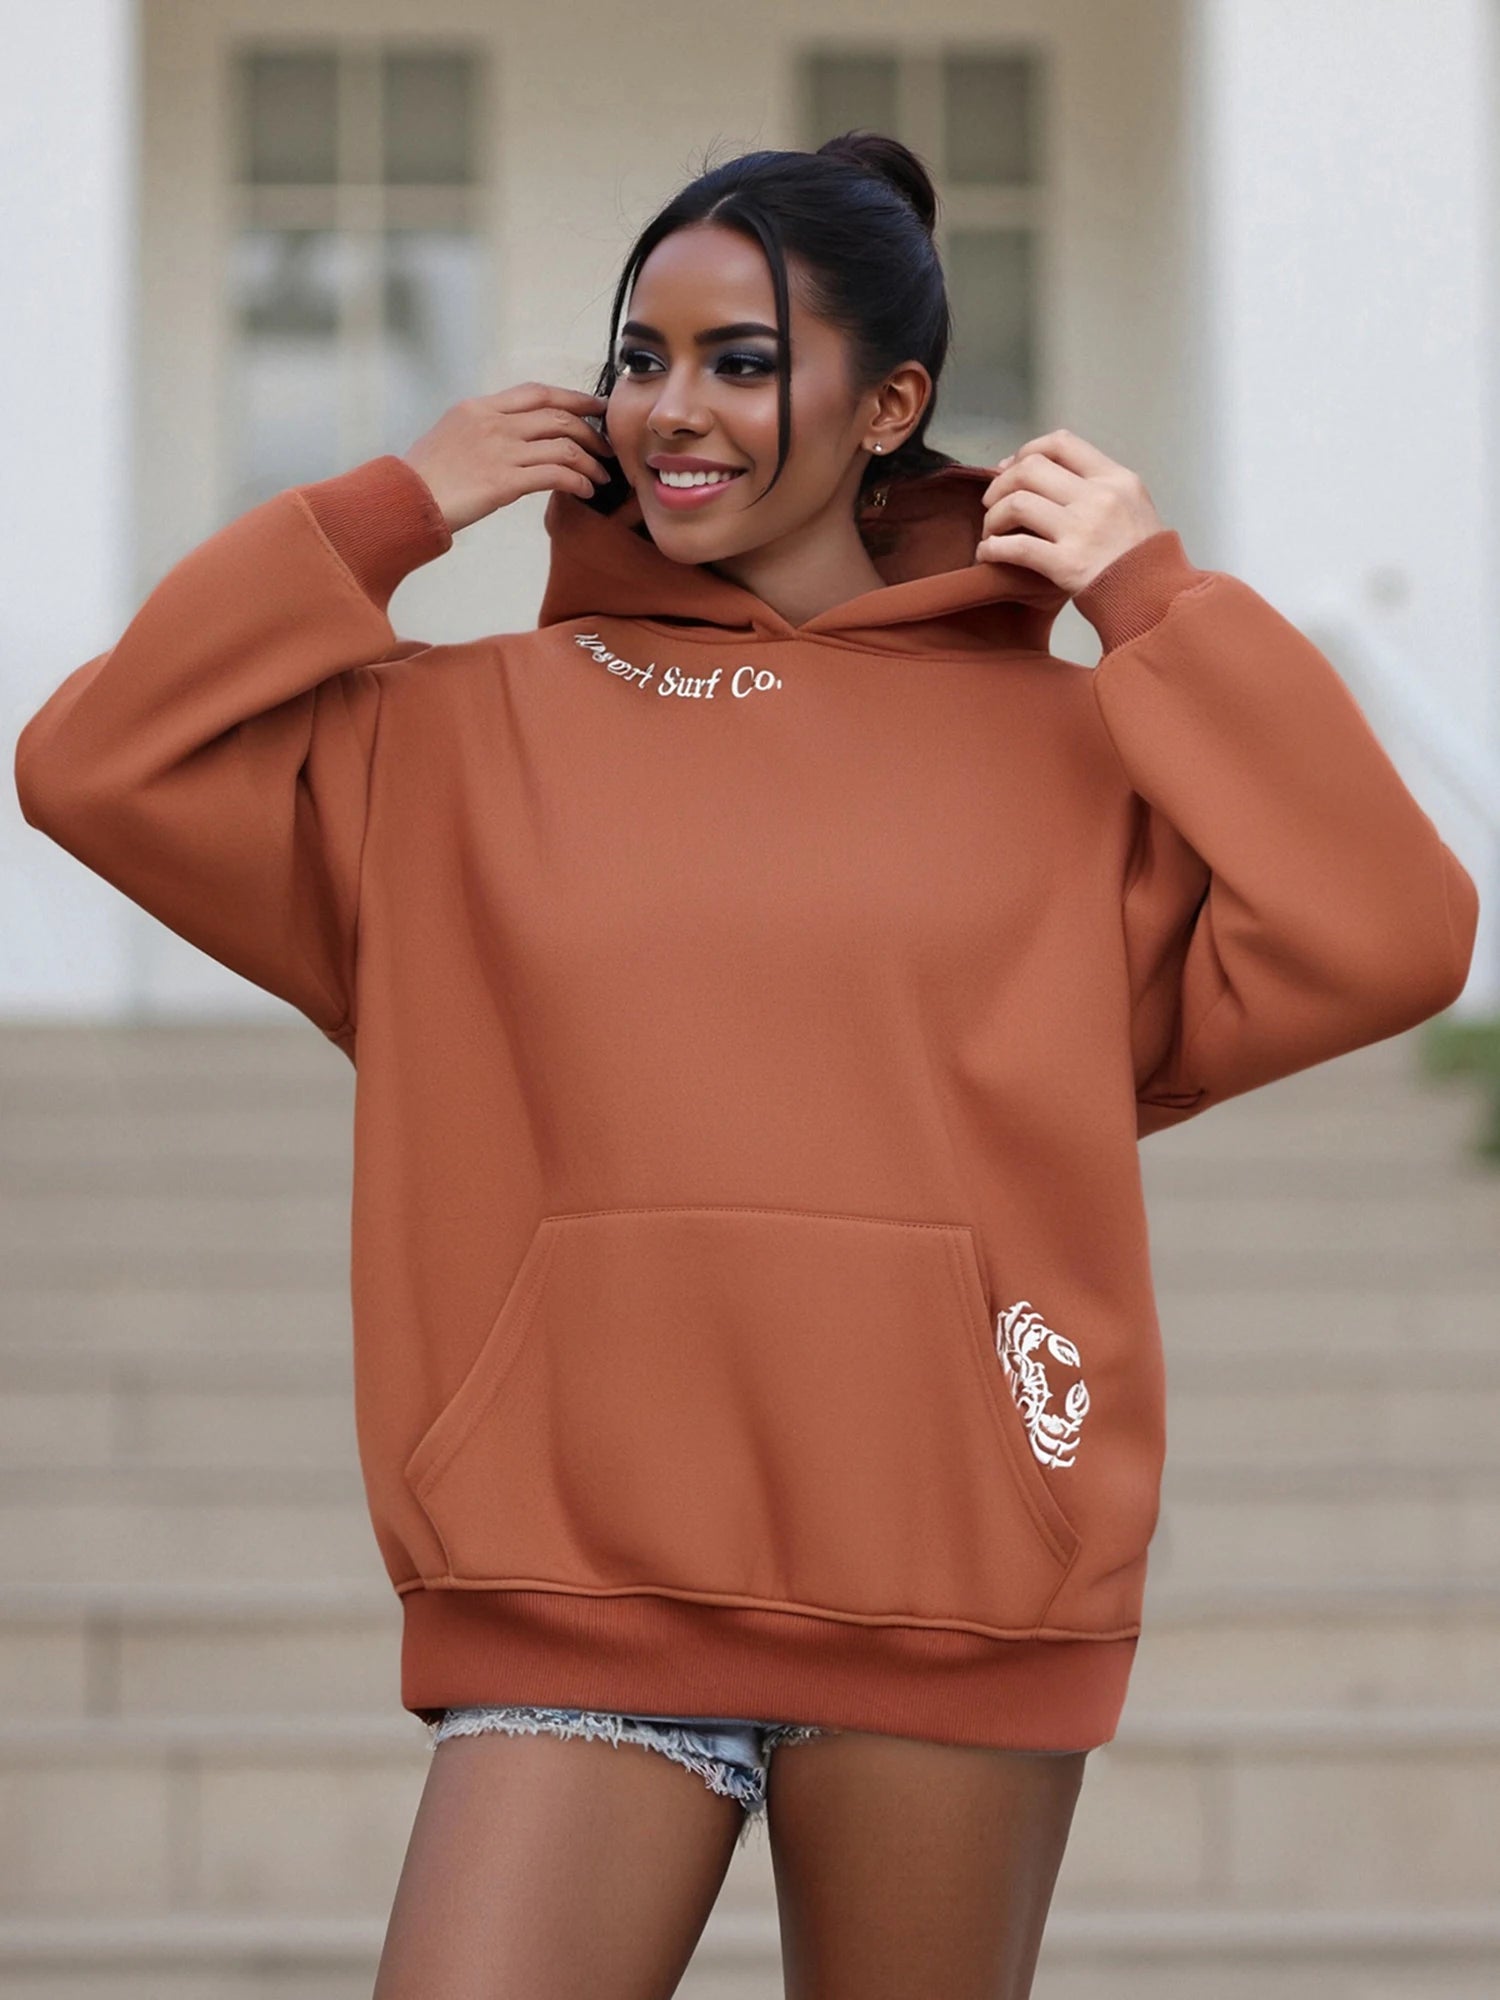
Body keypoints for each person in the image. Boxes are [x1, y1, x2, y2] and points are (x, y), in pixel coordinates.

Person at [13, 132, 1478, 1999]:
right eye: (638, 356)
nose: (665, 411)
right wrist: (393, 504)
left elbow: (1396, 930)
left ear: (896, 403)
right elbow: (91, 764)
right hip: (572, 1586)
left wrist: (1158, 601)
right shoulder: (453, 744)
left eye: (740, 359)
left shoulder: (1073, 752)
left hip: (953, 1584)